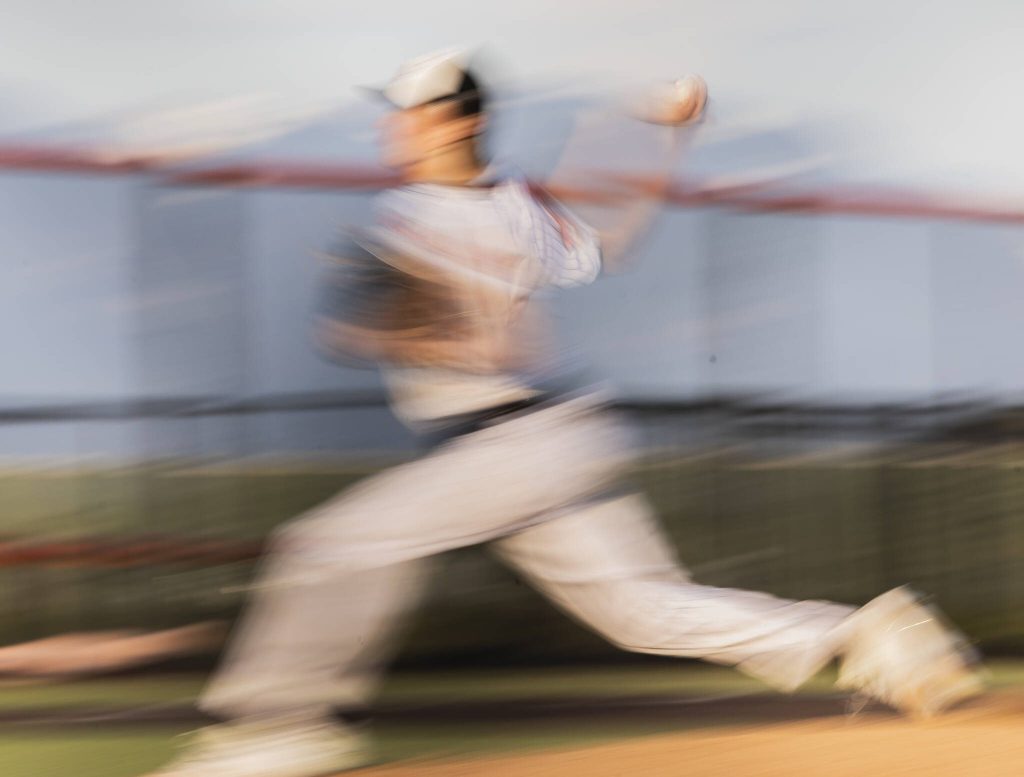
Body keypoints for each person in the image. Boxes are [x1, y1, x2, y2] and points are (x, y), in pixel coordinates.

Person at [147, 50, 981, 777]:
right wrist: (661, 131)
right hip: (552, 434)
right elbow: (604, 235)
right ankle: (870, 636)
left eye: (408, 114)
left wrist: (391, 301)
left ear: (450, 122)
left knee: (328, 545)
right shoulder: (518, 205)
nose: (392, 129)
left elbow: (377, 320)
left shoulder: (418, 216)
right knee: (644, 610)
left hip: (506, 442)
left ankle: (278, 730)